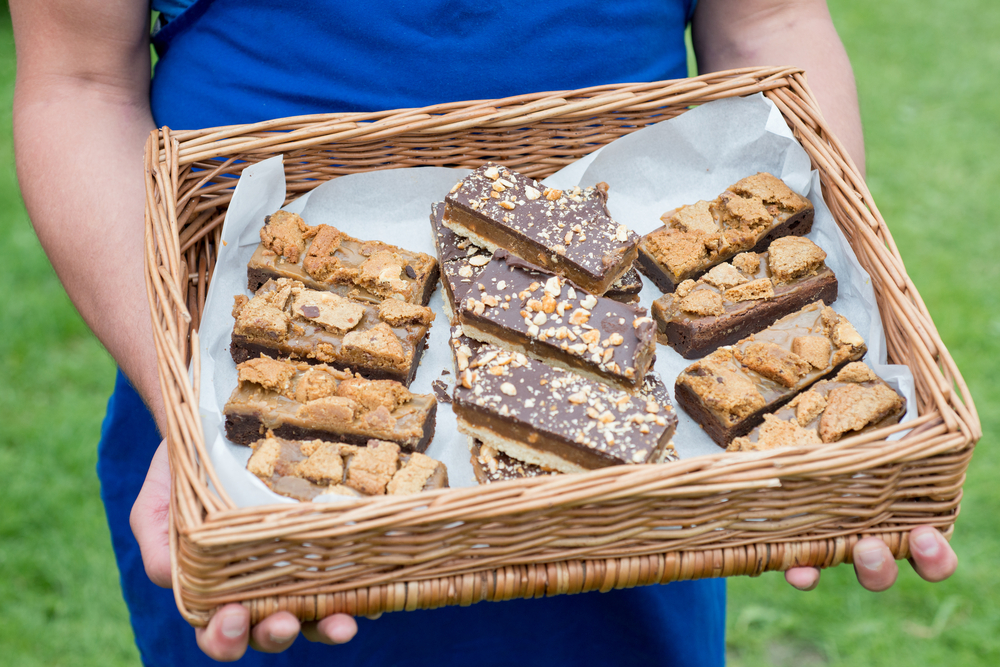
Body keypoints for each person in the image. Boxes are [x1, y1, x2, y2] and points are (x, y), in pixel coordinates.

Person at [10, 0, 958, 664]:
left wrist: (825, 344)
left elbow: (772, 19)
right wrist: (187, 396)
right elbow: (78, 81)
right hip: (209, 367)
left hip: (633, 477)